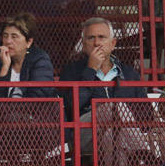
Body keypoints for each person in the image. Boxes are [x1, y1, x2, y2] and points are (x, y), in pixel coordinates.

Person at [59, 18, 143, 150]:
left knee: (112, 135)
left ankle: (134, 157)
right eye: (91, 38)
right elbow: (71, 107)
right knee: (113, 106)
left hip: (121, 136)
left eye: (101, 37)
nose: (96, 43)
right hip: (83, 135)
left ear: (112, 43)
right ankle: (142, 152)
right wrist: (90, 70)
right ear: (83, 44)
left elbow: (145, 113)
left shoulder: (130, 74)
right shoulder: (71, 71)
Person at [0, 13, 55, 98]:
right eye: (5, 36)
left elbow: (38, 97)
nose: (8, 41)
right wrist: (5, 67)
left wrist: (9, 105)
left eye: (14, 37)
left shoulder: (40, 60)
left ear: (29, 42)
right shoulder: (0, 60)